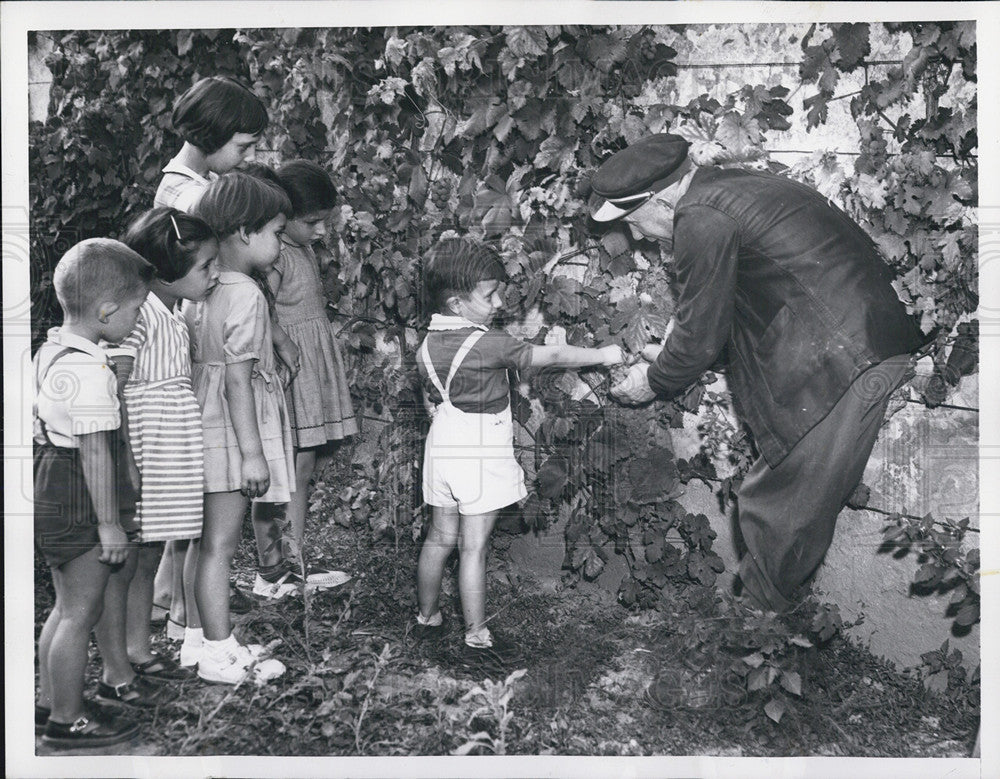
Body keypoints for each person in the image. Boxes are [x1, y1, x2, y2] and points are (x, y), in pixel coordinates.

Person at [591, 133, 925, 613]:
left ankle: (754, 647)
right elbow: (739, 304)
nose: (638, 235)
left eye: (634, 221)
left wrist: (655, 380)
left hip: (844, 357)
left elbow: (700, 336)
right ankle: (781, 632)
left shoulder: (700, 219)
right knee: (788, 501)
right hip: (853, 342)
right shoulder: (730, 188)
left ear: (660, 198)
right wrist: (672, 351)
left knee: (779, 508)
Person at [414, 238, 624, 669]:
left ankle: (427, 616)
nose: (498, 302)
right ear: (457, 302)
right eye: (488, 295)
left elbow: (429, 400)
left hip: (441, 444)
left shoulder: (427, 344)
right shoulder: (490, 344)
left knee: (438, 538)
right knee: (474, 548)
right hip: (478, 449)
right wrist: (604, 354)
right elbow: (555, 354)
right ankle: (477, 637)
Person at [152, 76, 298, 627]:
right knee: (204, 515)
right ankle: (183, 605)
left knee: (201, 518)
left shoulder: (197, 181)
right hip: (205, 356)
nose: (248, 157)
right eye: (242, 145)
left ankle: (179, 599)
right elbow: (216, 278)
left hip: (204, 348)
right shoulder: (190, 197)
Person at [34, 238, 154, 747]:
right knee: (81, 610)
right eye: (135, 311)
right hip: (79, 494)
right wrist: (109, 523)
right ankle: (68, 719)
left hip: (49, 485)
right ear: (107, 311)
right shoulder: (89, 372)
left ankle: (46, 705)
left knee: (64, 607)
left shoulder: (52, 351)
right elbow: (96, 455)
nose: (137, 322)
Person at [183, 172, 293, 684]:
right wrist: (253, 453)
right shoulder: (245, 293)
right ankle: (221, 654)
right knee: (220, 546)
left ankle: (192, 639)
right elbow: (237, 381)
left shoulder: (198, 284)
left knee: (201, 542)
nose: (280, 244)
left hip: (200, 422)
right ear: (246, 233)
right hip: (231, 431)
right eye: (277, 232)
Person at [114, 208, 220, 673]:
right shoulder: (139, 317)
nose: (215, 274)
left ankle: (139, 648)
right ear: (167, 273)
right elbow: (112, 387)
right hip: (145, 447)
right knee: (135, 557)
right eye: (205, 267)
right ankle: (127, 652)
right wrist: (124, 458)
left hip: (168, 448)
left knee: (152, 550)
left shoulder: (172, 313)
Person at [248, 160, 357, 599]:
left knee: (301, 466)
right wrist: (280, 347)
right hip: (289, 367)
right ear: (282, 216)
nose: (319, 232)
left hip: (309, 364)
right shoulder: (276, 255)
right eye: (311, 222)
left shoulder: (301, 247)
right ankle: (273, 570)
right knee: (284, 469)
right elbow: (260, 308)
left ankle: (293, 563)